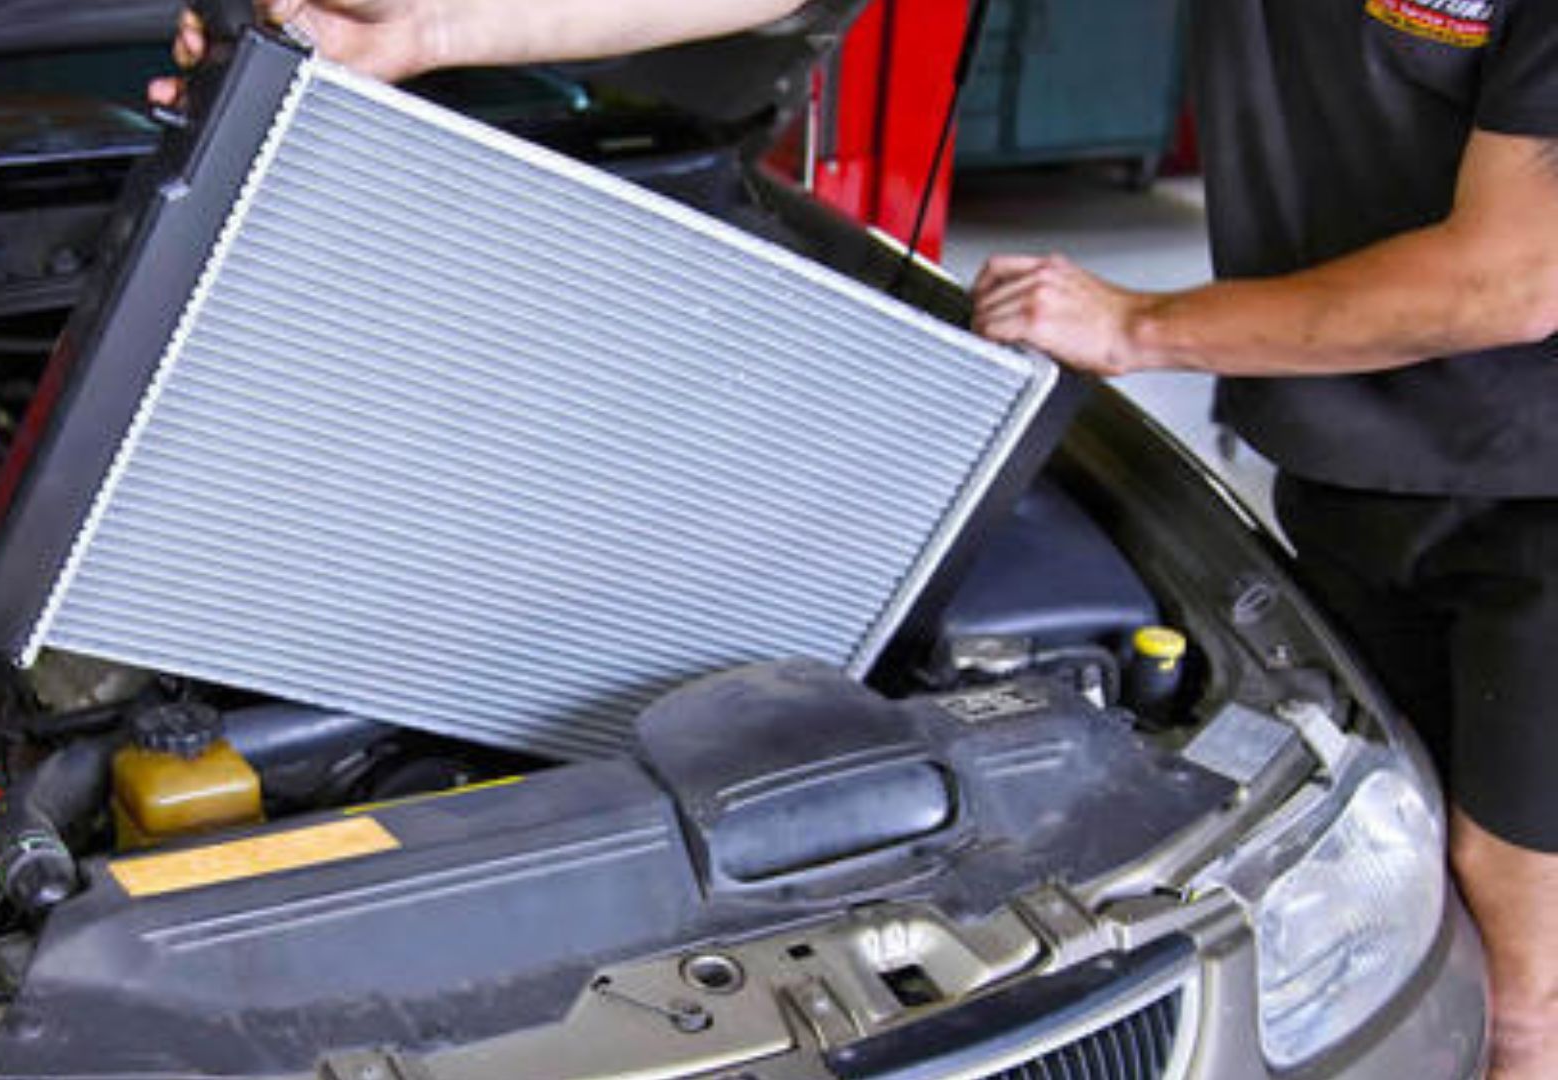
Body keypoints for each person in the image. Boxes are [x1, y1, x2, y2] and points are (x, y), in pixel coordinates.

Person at [152, 3, 1558, 1075]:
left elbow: (1516, 276)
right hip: (1362, 466)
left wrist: (1139, 325)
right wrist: (427, 30)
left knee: (1513, 965)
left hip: (1539, 501)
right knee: (1438, 854)